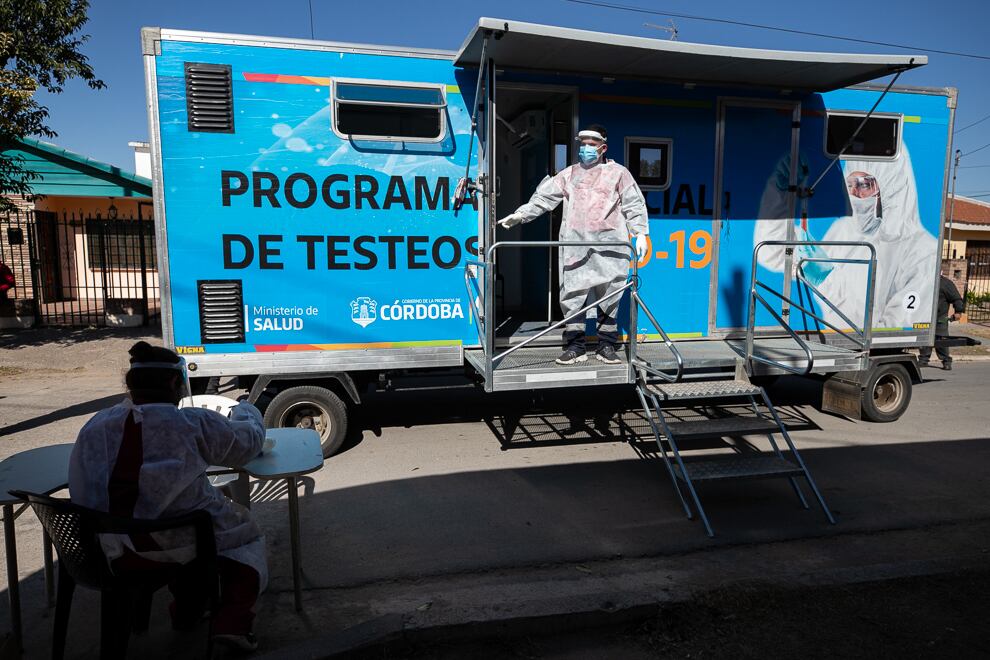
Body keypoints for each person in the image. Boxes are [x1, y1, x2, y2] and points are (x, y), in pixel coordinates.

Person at [69, 341, 267, 651]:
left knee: (192, 533)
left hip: (103, 551)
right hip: (161, 545)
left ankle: (188, 612)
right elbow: (247, 444)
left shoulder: (96, 425)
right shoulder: (192, 423)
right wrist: (247, 410)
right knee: (242, 535)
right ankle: (233, 621)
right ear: (176, 382)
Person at [498, 124, 649, 365]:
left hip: (611, 246)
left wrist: (640, 233)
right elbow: (544, 198)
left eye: (592, 144)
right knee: (573, 295)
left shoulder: (619, 174)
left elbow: (634, 205)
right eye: (583, 144)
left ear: (603, 147)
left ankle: (606, 346)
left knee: (610, 296)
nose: (586, 148)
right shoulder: (569, 174)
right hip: (576, 245)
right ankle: (575, 347)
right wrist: (521, 215)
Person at [754, 145, 937, 330]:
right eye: (850, 185)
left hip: (856, 349)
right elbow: (774, 254)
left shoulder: (922, 255)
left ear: (891, 187)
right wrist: (779, 191)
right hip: (831, 345)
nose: (855, 194)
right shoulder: (844, 231)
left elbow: (883, 331)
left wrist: (828, 280)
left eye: (864, 184)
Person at [919, 275, 965, 370]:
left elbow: (956, 298)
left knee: (941, 339)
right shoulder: (923, 279)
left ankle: (946, 361)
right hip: (924, 317)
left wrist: (958, 311)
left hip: (940, 317)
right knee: (924, 338)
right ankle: (923, 360)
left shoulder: (945, 283)